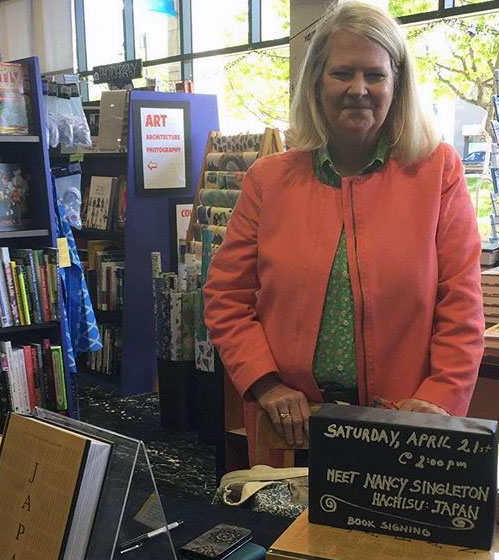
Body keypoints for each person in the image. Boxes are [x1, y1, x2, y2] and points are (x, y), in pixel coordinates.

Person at [203, 0, 484, 457]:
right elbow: (225, 298)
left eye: (374, 74)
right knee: (285, 531)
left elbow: (462, 302)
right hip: (291, 427)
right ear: (316, 82)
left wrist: (439, 398)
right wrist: (265, 384)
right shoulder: (269, 180)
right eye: (342, 73)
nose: (359, 89)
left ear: (397, 84)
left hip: (403, 424)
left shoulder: (437, 172)